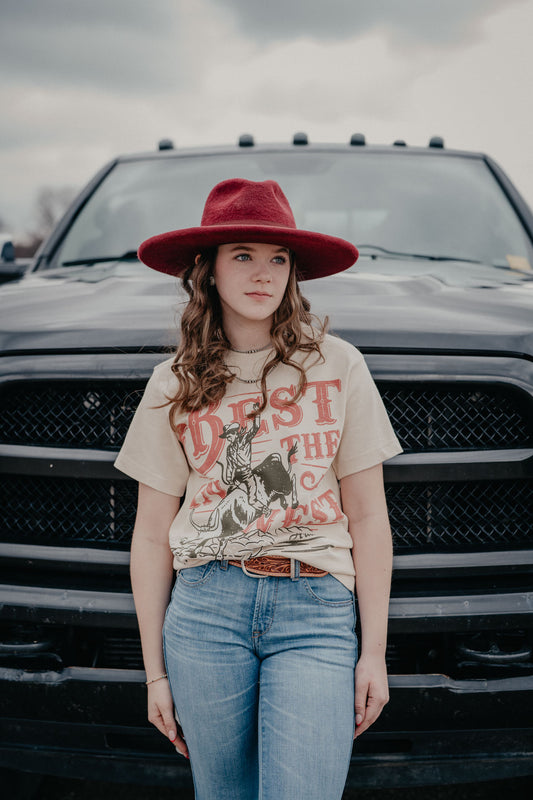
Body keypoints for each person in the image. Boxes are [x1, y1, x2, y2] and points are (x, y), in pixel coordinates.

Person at [114, 178, 402, 800]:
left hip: (315, 607)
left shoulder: (338, 365)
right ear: (208, 271)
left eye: (278, 259)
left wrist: (373, 651)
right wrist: (154, 674)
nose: (262, 273)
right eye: (242, 255)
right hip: (205, 612)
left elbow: (369, 517)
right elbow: (150, 532)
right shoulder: (175, 382)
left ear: (293, 273)